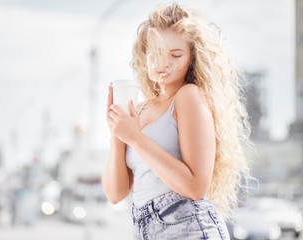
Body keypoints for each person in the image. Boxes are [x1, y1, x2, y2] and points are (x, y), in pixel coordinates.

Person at [103, 2, 252, 240]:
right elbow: (115, 193)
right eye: (156, 53)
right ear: (144, 55)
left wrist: (136, 138)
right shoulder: (140, 110)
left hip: (190, 230)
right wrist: (117, 134)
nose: (164, 63)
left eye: (176, 54)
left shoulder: (188, 96)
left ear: (192, 58)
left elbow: (195, 186)